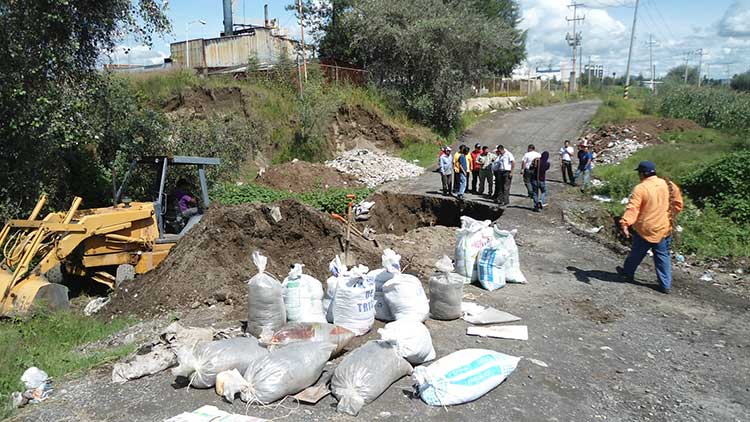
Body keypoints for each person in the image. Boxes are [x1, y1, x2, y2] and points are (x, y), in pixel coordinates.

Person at [617, 161, 683, 294]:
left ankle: (627, 274)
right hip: (664, 228)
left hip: (645, 229)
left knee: (636, 253)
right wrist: (669, 216)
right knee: (663, 256)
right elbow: (678, 204)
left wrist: (625, 223)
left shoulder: (641, 188)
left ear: (642, 174)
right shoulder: (669, 185)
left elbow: (633, 208)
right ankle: (665, 285)